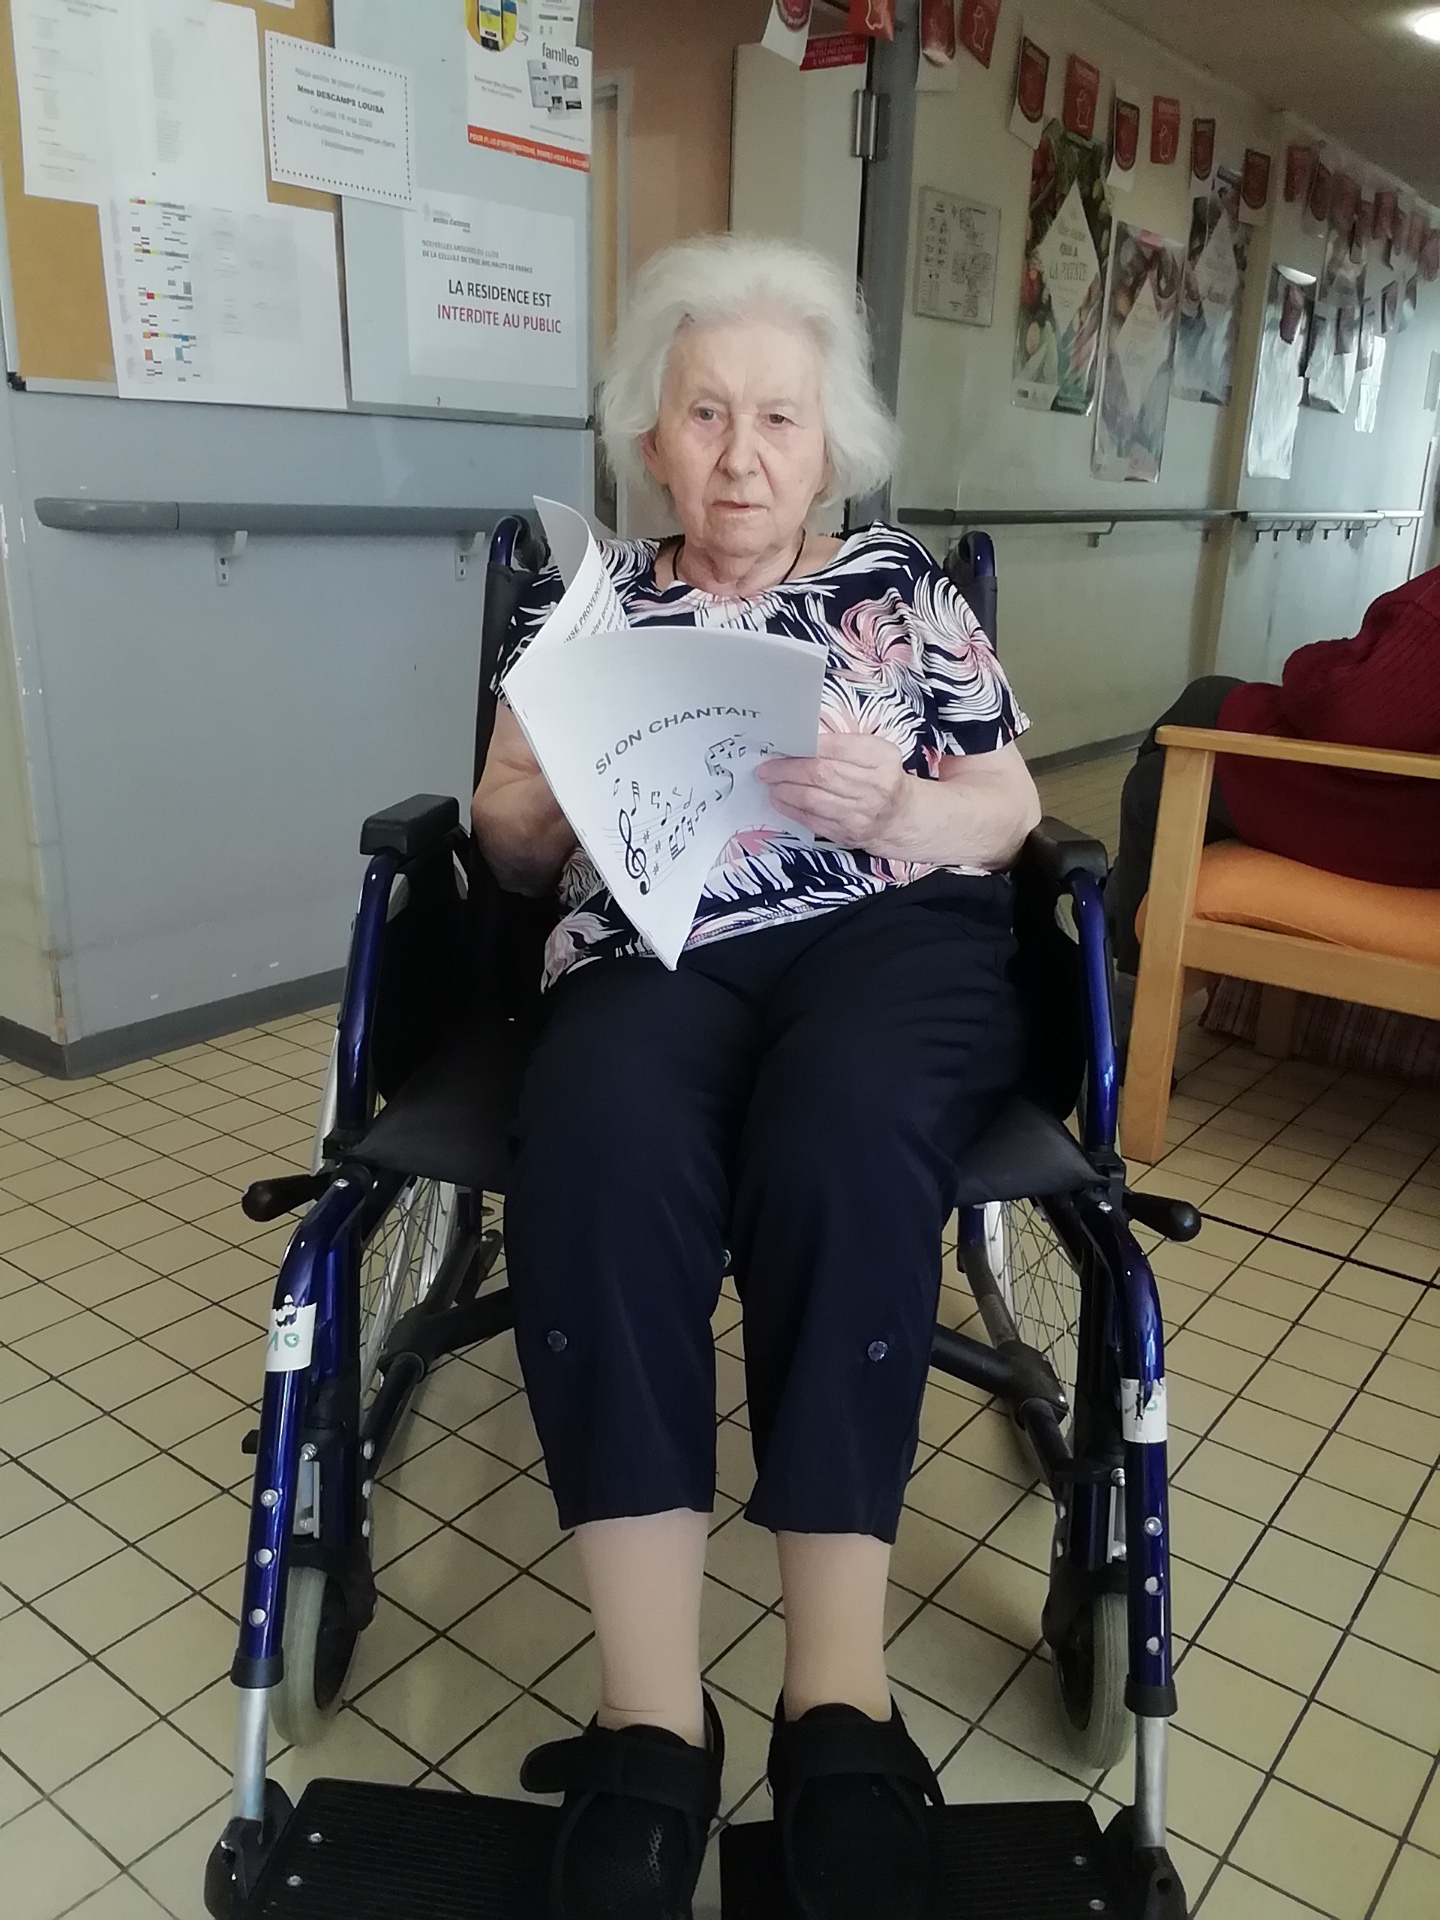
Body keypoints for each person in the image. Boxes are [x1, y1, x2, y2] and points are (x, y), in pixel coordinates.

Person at [471, 234, 1040, 1920]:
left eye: (778, 418)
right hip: (656, 943)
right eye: (705, 414)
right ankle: (652, 1722)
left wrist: (904, 807)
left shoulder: (905, 593)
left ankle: (835, 1708)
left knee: (846, 1134)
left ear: (829, 440)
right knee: (597, 1139)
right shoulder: (588, 608)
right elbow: (509, 849)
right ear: (651, 437)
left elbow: (1009, 810)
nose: (741, 456)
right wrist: (535, 811)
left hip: (886, 935)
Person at [1106, 564, 1440, 994]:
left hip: (1399, 832)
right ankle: (1120, 917)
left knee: (1156, 785)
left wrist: (1311, 660)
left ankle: (1127, 969)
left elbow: (1353, 711)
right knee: (1205, 705)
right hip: (1410, 808)